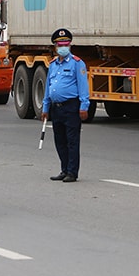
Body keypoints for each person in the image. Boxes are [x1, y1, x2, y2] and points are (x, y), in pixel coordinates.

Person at [42, 28, 89, 183]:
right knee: (60, 140)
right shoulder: (53, 65)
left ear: (70, 45)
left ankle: (72, 172)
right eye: (60, 44)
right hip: (57, 107)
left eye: (66, 44)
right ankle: (64, 169)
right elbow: (48, 87)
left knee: (72, 141)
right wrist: (45, 107)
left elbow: (83, 86)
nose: (63, 47)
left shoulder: (77, 63)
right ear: (55, 46)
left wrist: (84, 106)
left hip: (71, 106)